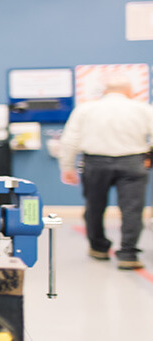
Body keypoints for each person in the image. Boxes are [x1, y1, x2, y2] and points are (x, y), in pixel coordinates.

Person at [59, 76, 153, 270]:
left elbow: (70, 139)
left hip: (95, 162)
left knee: (94, 206)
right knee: (132, 210)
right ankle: (128, 254)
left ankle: (98, 248)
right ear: (129, 92)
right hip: (133, 161)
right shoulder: (142, 108)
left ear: (104, 92)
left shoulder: (85, 109)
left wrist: (67, 166)